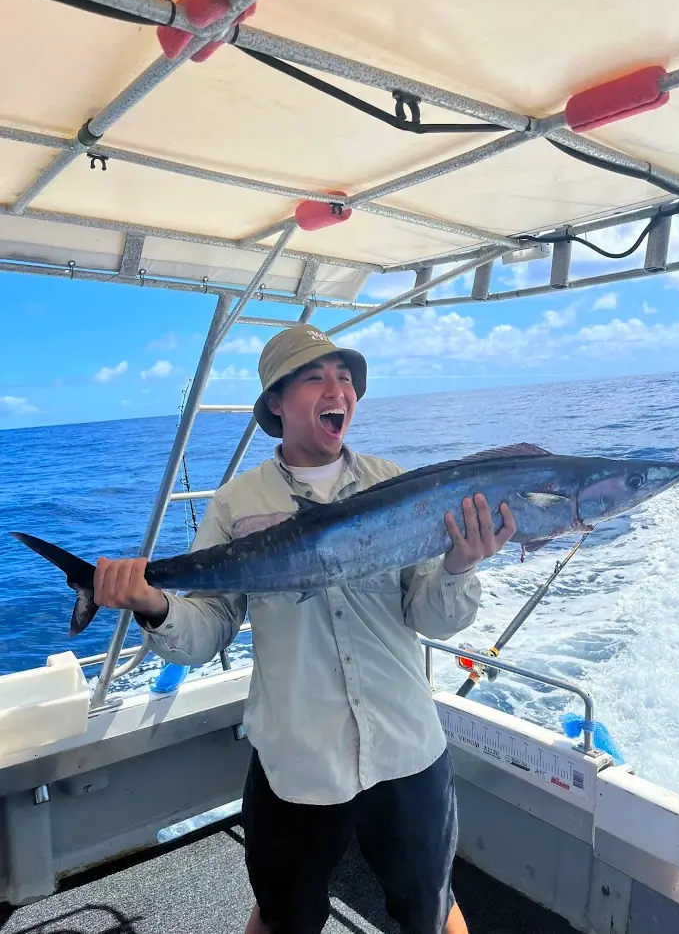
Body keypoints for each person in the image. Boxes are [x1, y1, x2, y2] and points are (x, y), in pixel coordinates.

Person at [93, 325, 516, 934]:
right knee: (285, 914)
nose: (337, 388)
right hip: (297, 760)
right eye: (316, 376)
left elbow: (430, 616)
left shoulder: (393, 483)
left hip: (407, 750)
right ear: (276, 402)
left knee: (431, 906)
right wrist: (152, 604)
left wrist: (459, 565)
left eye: (345, 377)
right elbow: (208, 630)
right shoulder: (237, 504)